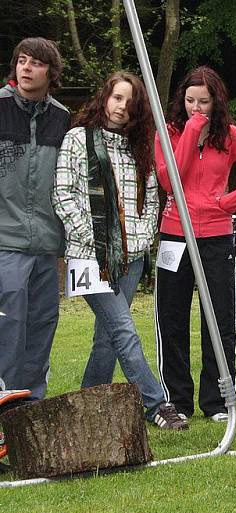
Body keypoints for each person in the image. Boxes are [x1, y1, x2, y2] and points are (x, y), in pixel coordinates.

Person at [52, 72, 187, 430]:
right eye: (116, 97)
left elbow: (152, 200)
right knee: (123, 329)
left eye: (129, 101)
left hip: (131, 260)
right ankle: (157, 404)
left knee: (107, 336)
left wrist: (136, 244)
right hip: (87, 257)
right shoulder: (78, 139)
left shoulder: (138, 147)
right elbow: (63, 195)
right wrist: (95, 242)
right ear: (104, 98)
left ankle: (87, 403)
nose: (121, 106)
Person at [155, 66, 236, 422]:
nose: (196, 108)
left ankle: (216, 401)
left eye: (204, 102)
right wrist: (190, 132)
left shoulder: (230, 135)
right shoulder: (168, 132)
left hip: (216, 235)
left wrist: (228, 203)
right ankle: (177, 400)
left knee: (219, 317)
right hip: (175, 234)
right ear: (180, 100)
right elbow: (171, 180)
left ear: (217, 101)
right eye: (189, 101)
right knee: (171, 317)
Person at [0, 38, 70, 401]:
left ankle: (29, 406)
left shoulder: (62, 117)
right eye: (21, 60)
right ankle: (2, 402)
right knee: (7, 328)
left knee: (41, 327)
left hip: (47, 242)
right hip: (5, 240)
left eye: (36, 63)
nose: (26, 68)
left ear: (51, 72)